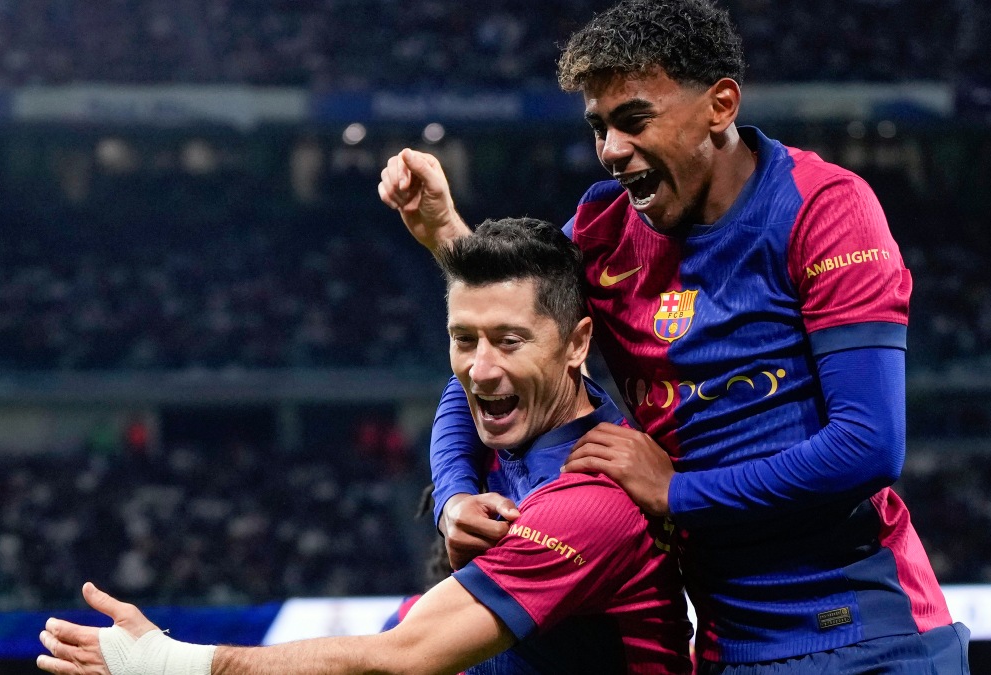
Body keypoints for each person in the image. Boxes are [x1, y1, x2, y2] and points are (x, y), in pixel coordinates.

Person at [377, 1, 970, 672]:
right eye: (599, 127)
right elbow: (500, 359)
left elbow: (868, 444)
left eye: (634, 121)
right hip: (726, 645)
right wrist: (453, 495)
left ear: (720, 105)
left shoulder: (822, 210)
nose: (610, 150)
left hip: (866, 635)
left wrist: (678, 491)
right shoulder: (602, 229)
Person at [34, 219, 693, 675]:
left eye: (508, 341)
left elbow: (408, 656)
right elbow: (462, 396)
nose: (480, 369)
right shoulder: (537, 404)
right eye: (463, 339)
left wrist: (168, 662)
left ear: (578, 344)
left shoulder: (591, 501)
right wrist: (452, 498)